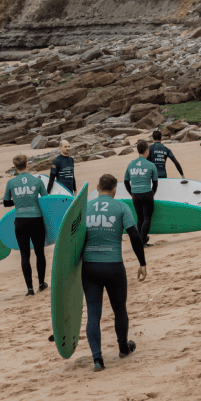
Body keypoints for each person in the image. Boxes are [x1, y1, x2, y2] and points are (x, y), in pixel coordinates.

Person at [82, 173, 147, 372]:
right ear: (114, 189)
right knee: (119, 309)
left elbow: (72, 240)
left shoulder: (85, 208)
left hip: (90, 267)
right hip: (113, 266)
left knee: (93, 313)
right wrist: (142, 262)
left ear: (97, 187)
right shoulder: (121, 207)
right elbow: (135, 236)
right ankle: (122, 348)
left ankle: (97, 359)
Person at [3, 154, 48, 296]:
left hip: (20, 221)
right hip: (36, 220)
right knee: (40, 253)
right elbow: (46, 201)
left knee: (24, 255)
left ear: (15, 167)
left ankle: (29, 289)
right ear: (27, 164)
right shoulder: (37, 180)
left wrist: (18, 201)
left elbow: (5, 203)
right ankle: (41, 284)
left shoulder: (11, 183)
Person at [124, 140, 158, 247]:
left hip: (135, 195)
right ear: (147, 150)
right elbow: (155, 183)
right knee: (147, 218)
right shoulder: (151, 165)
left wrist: (132, 193)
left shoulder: (131, 164)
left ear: (138, 151)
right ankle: (142, 242)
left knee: (139, 218)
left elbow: (125, 181)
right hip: (147, 193)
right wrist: (152, 193)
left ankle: (141, 241)